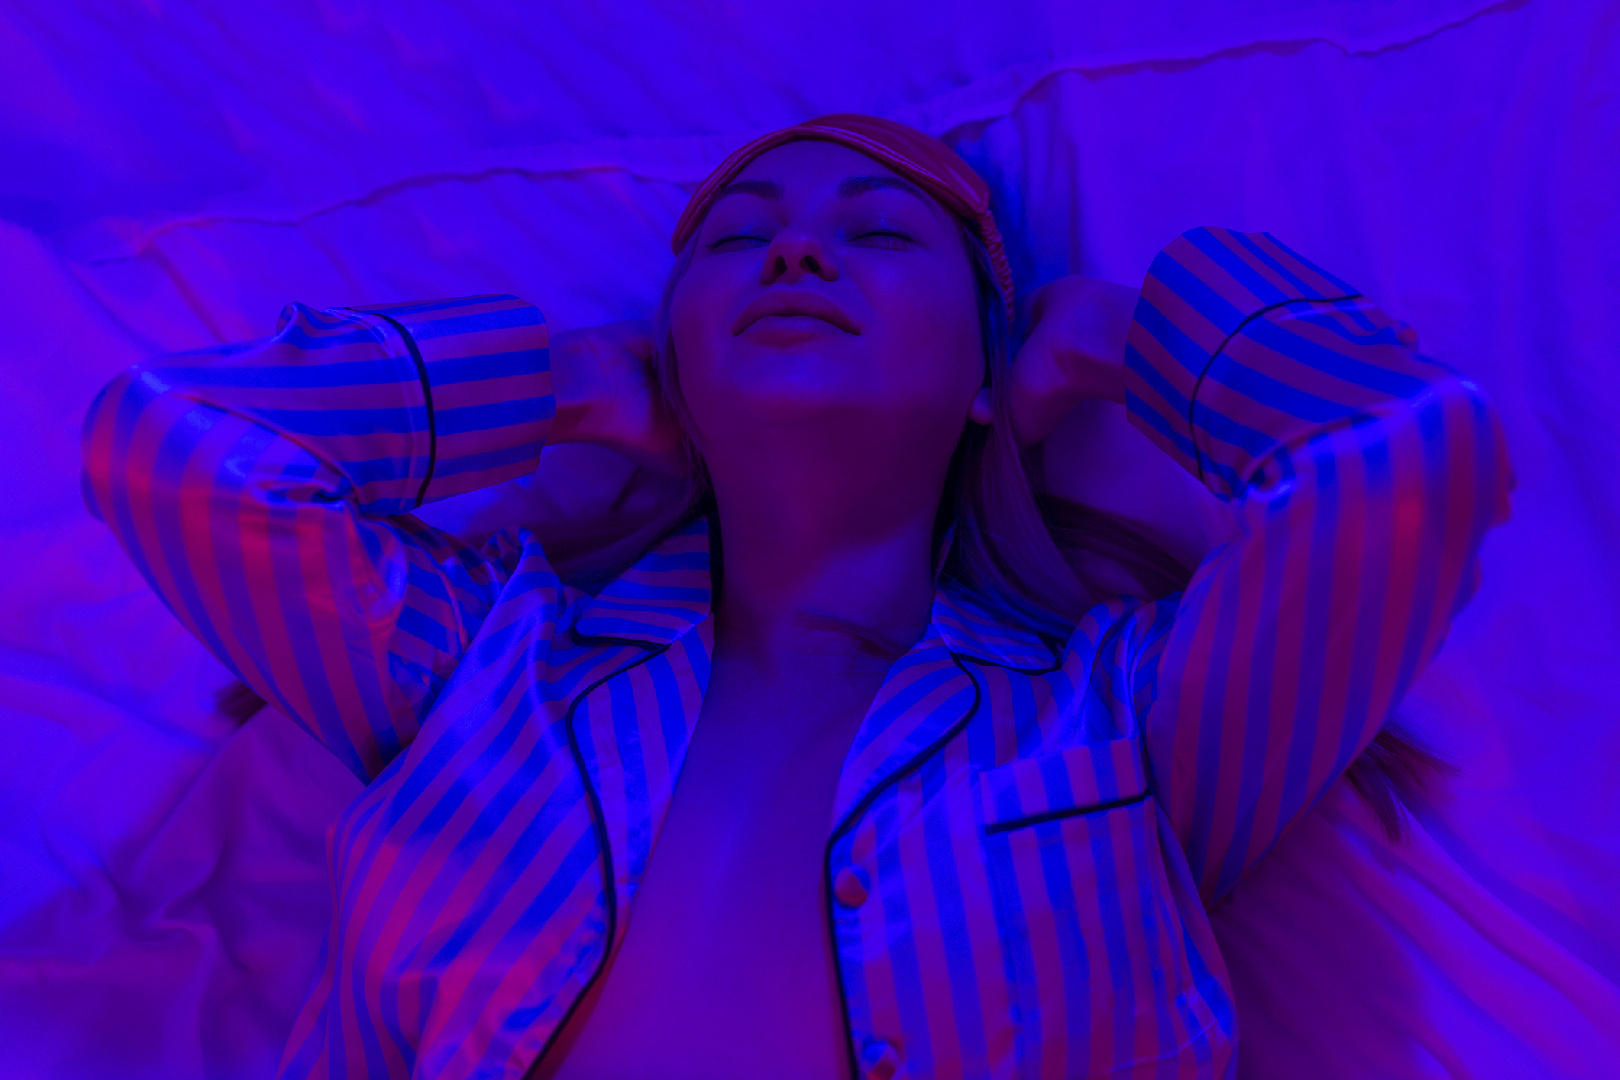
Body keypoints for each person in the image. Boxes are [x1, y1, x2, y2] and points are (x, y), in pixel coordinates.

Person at [81, 114, 1511, 1080]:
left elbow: (1401, 459)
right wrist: (564, 381)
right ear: (673, 347)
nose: (795, 249)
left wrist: (1116, 338)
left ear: (984, 373)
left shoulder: (1137, 723)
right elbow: (177, 448)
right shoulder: (479, 665)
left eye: (880, 233)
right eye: (734, 237)